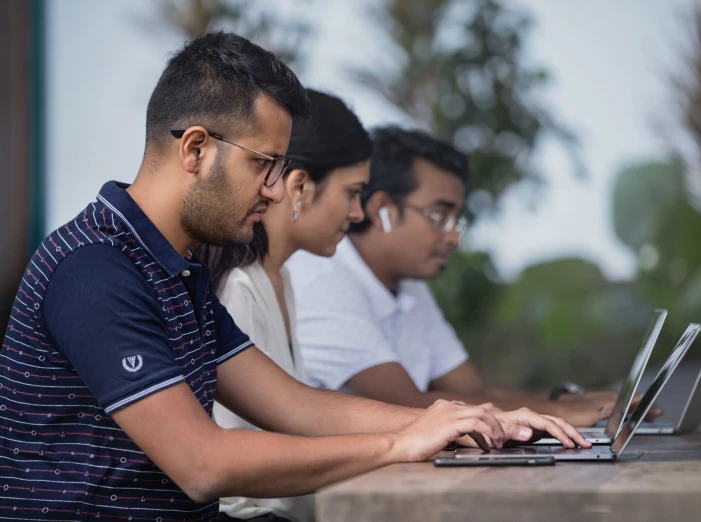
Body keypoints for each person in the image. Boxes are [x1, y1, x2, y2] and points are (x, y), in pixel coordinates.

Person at [0, 32, 589, 522]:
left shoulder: (177, 272)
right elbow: (203, 463)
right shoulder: (94, 268)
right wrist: (396, 444)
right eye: (265, 164)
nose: (277, 190)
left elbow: (293, 405)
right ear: (196, 150)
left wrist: (461, 421)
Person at [287, 126, 643, 427]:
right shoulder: (323, 277)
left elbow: (472, 391)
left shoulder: (409, 285)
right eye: (439, 216)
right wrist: (562, 414)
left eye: (457, 220)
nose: (454, 237)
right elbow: (407, 403)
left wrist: (569, 399)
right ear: (382, 210)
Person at [193, 88, 372, 522]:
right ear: (300, 187)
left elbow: (299, 413)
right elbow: (237, 477)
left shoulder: (281, 278)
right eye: (352, 193)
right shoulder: (239, 288)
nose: (359, 213)